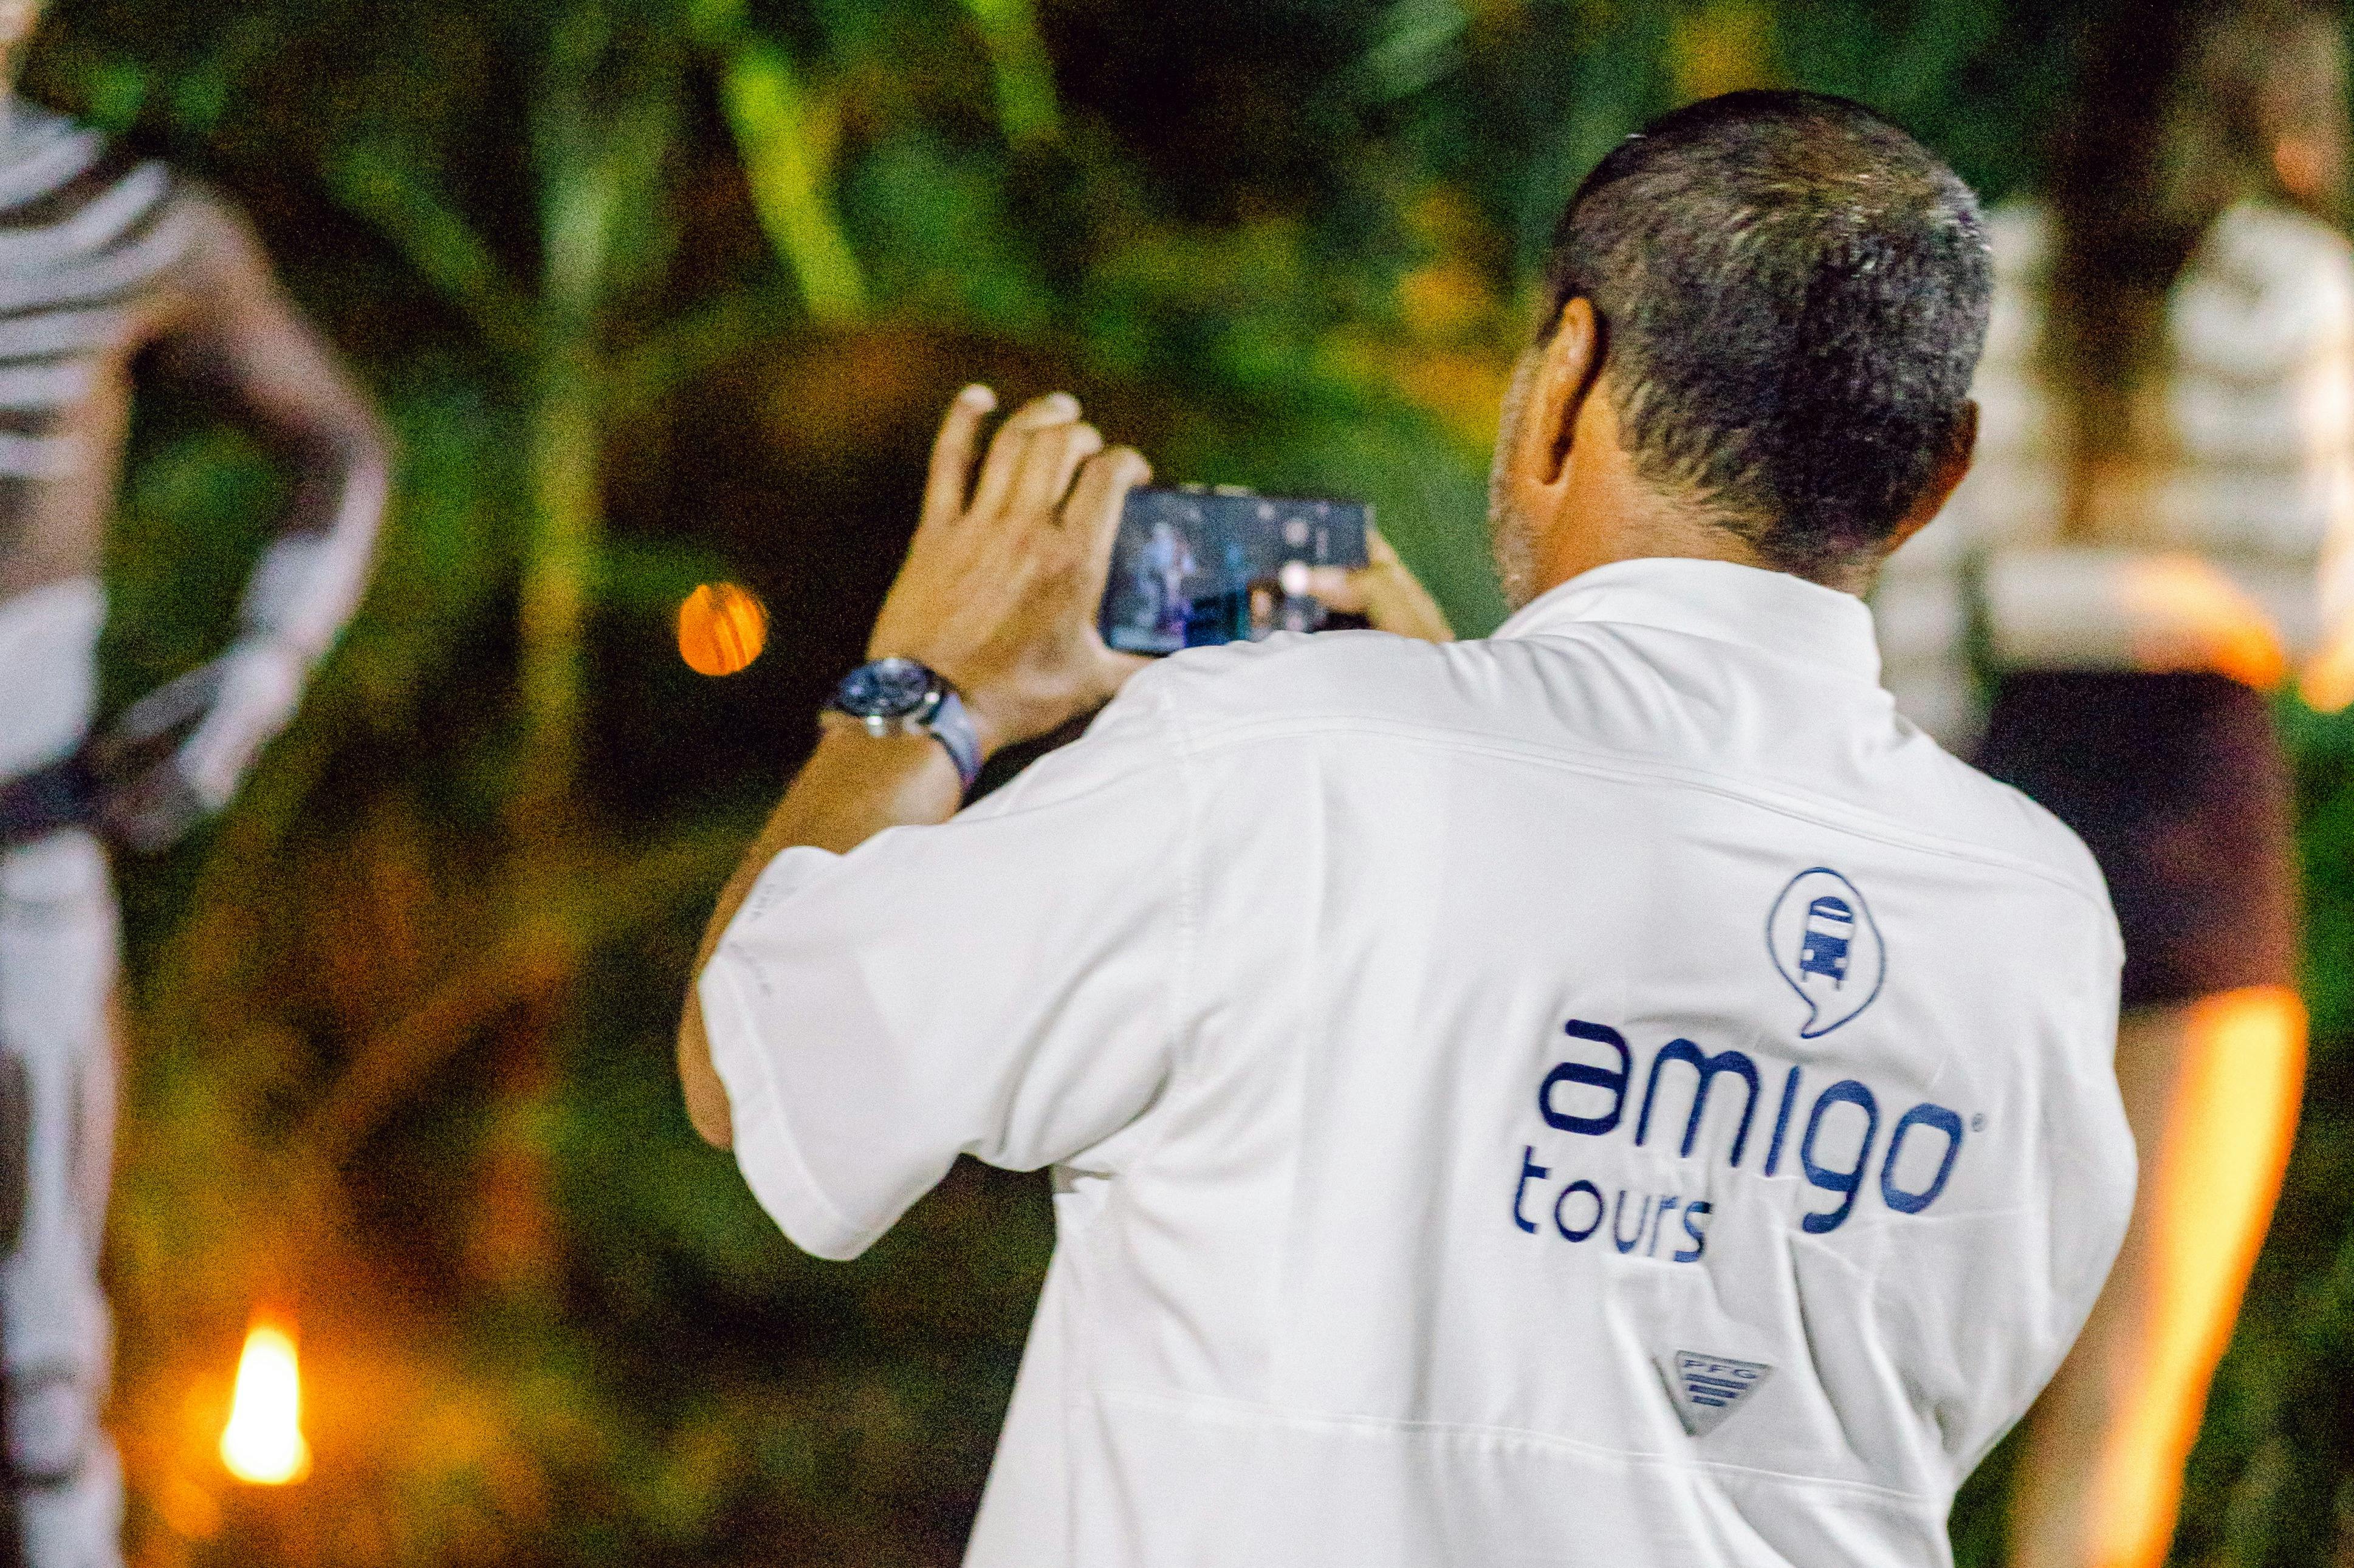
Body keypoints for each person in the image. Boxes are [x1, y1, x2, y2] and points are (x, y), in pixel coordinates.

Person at [679, 91, 2133, 1567]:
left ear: (1567, 372)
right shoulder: (2032, 921)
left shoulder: (1280, 768)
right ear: (1939, 472)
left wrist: (922, 692)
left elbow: (766, 1070)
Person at [1873, 7, 2352, 1563]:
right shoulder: (2289, 289)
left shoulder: (1991, 272)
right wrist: (2190, 598)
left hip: (2004, 810)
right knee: (2130, 1398)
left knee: (1903, 1381)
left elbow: (1919, 616)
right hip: (2202, 820)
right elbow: (2337, 627)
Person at [0, 1, 390, 1561]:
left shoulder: (119, 223)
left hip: (19, 858)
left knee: (39, 1353)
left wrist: (252, 686)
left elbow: (343, 447)